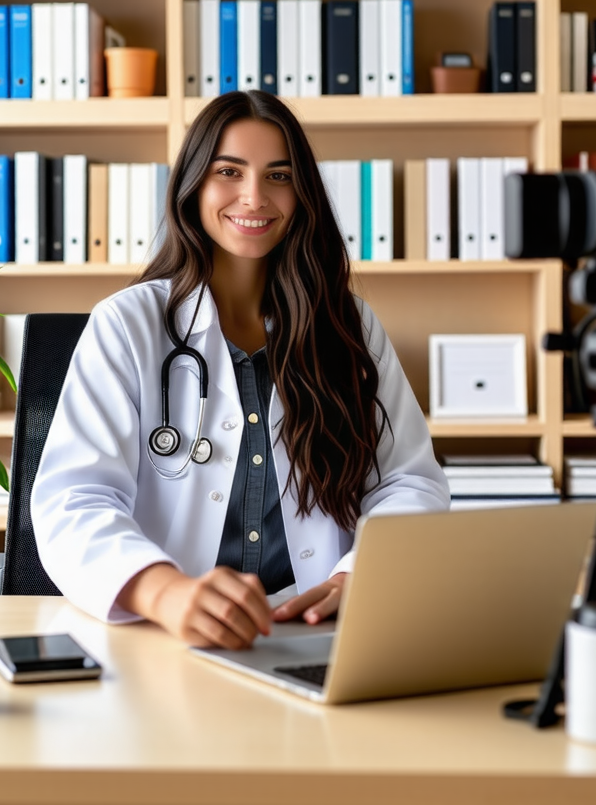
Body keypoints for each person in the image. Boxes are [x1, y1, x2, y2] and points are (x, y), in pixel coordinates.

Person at [31, 91, 451, 650]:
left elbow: (409, 481)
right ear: (193, 186)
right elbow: (72, 502)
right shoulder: (126, 325)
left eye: (279, 175)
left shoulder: (349, 324)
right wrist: (162, 592)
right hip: (167, 634)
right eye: (229, 171)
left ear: (302, 194)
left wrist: (358, 575)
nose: (255, 197)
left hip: (314, 633)